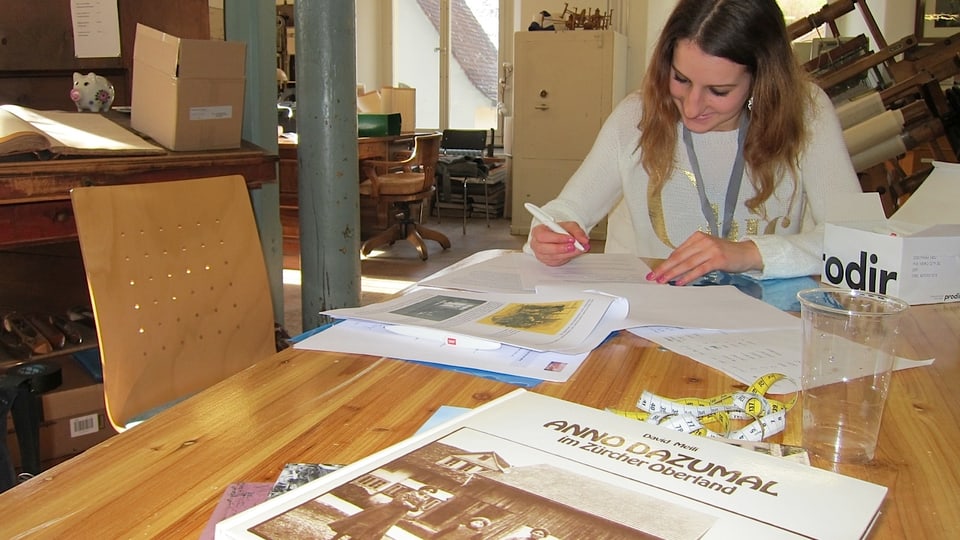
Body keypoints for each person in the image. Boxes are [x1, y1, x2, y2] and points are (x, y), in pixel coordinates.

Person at [525, 0, 861, 285]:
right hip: (654, 321)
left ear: (762, 80)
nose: (691, 106)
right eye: (681, 79)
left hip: (762, 324)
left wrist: (750, 253)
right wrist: (549, 234)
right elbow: (567, 210)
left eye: (719, 91)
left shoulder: (806, 114)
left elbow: (858, 242)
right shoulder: (635, 117)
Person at [328, 485, 436, 539]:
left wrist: (415, 506)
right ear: (422, 488)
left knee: (376, 529)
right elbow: (398, 500)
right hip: (385, 510)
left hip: (395, 516)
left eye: (430, 492)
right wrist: (409, 505)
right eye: (426, 490)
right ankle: (337, 537)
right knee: (363, 524)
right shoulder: (409, 493)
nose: (427, 492)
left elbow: (416, 509)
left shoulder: (423, 500)